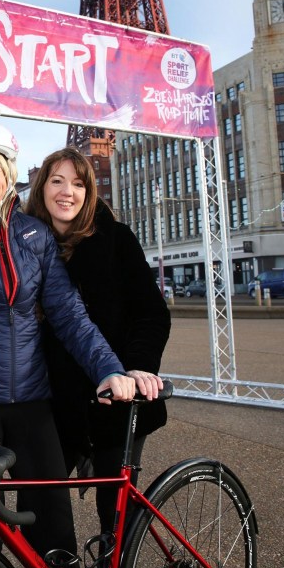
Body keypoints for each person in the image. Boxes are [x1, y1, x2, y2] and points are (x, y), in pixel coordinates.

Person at [0, 121, 162, 559]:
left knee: (52, 526)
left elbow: (68, 313)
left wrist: (109, 369)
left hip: (31, 400)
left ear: (9, 172)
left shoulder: (34, 235)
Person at [24, 147, 171, 535]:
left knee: (115, 517)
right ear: (41, 189)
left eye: (78, 183)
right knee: (36, 508)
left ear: (89, 193)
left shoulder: (116, 239)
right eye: (56, 181)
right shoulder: (24, 245)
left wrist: (139, 365)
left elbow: (151, 312)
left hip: (117, 398)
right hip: (54, 401)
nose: (67, 192)